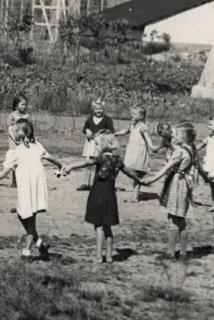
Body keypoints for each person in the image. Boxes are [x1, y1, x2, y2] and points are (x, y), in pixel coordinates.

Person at [0, 119, 62, 259]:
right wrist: (61, 166)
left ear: (22, 134)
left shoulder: (27, 149)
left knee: (30, 220)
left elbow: (50, 158)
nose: (12, 132)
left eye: (15, 130)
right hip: (27, 189)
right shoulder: (21, 150)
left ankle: (26, 252)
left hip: (32, 189)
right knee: (22, 215)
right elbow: (51, 158)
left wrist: (62, 167)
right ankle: (41, 244)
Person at [60, 132, 143, 264]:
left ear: (103, 145)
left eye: (97, 144)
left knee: (98, 226)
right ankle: (109, 256)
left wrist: (70, 166)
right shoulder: (118, 160)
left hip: (98, 193)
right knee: (108, 226)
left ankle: (99, 257)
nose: (96, 146)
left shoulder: (101, 158)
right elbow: (128, 171)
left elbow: (86, 163)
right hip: (110, 195)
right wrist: (140, 180)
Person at [141, 124, 197, 260]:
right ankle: (183, 252)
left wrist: (151, 180)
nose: (174, 136)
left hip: (176, 183)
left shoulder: (179, 152)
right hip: (184, 185)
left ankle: (170, 252)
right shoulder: (191, 150)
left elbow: (167, 168)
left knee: (172, 218)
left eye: (177, 134)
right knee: (181, 219)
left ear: (183, 138)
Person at [115, 106, 152, 203]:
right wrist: (115, 134)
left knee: (136, 173)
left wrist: (152, 147)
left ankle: (135, 196)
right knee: (129, 170)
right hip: (132, 150)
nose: (131, 115)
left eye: (134, 114)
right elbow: (126, 131)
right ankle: (135, 193)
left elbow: (147, 138)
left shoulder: (143, 127)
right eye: (131, 113)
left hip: (139, 151)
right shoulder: (133, 125)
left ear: (141, 116)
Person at [79, 100, 114, 191]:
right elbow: (84, 128)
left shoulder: (107, 119)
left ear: (103, 109)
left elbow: (111, 131)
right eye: (97, 109)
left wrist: (102, 134)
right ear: (93, 110)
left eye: (100, 109)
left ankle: (97, 184)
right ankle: (87, 183)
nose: (99, 111)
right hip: (90, 143)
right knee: (88, 163)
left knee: (100, 163)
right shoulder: (90, 118)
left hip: (101, 144)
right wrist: (87, 130)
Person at [196, 117, 214, 210]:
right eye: (208, 124)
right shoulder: (209, 136)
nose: (208, 127)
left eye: (210, 125)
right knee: (212, 185)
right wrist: (192, 149)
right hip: (209, 163)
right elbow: (201, 145)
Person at [6, 94, 33, 189]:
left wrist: (28, 138)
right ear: (16, 104)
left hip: (25, 139)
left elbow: (30, 129)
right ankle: (14, 180)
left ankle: (23, 179)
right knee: (14, 160)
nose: (24, 106)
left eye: (25, 105)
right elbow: (10, 129)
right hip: (15, 141)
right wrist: (15, 139)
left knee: (24, 159)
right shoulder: (12, 116)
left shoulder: (27, 116)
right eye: (22, 104)